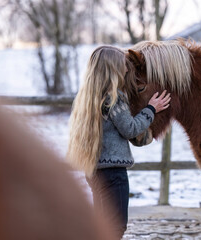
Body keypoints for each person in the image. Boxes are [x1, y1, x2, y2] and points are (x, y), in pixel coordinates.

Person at [66, 46, 171, 239]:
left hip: (95, 171)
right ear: (112, 68)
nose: (127, 68)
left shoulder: (89, 98)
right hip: (113, 173)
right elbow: (129, 128)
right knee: (116, 226)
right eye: (123, 64)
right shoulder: (113, 99)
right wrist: (150, 109)